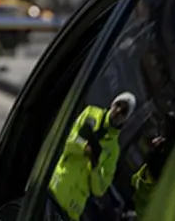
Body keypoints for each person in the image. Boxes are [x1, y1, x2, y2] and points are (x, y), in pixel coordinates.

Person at [47, 92, 137, 220]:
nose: (118, 111)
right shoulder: (90, 113)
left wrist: (95, 166)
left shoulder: (113, 150)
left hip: (72, 208)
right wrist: (84, 148)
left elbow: (100, 189)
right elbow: (66, 141)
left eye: (124, 111)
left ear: (126, 119)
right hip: (56, 188)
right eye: (118, 105)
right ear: (112, 103)